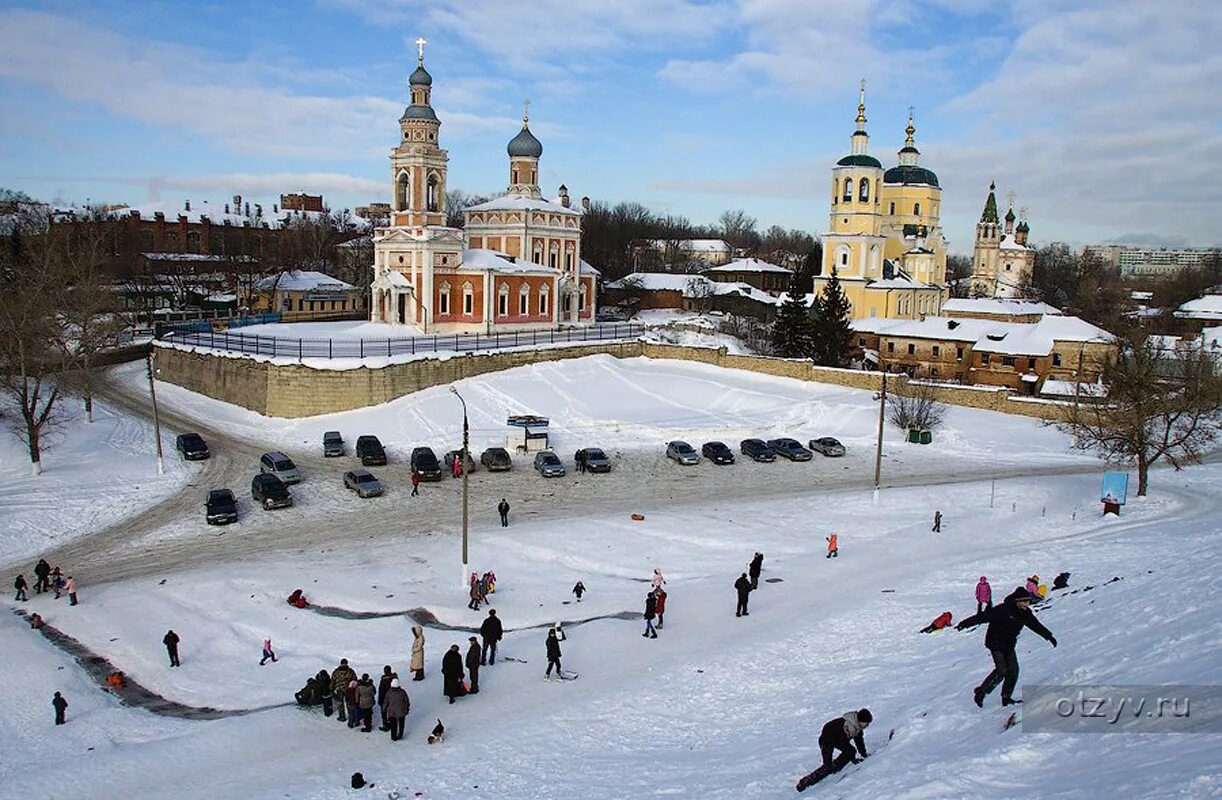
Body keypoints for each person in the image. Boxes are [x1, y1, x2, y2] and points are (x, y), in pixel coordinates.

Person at [957, 587, 1057, 708]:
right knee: (1002, 670)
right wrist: (964, 623)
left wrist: (1048, 636)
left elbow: (1035, 625)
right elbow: (983, 617)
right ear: (1017, 601)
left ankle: (1006, 698)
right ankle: (981, 692)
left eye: (1028, 601)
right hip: (995, 643)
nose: (1027, 604)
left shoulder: (1025, 613)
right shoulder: (1003, 610)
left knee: (1013, 671)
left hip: (1009, 644)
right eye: (1025, 601)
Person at [795, 709, 873, 792]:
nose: (867, 725)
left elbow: (859, 741)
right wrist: (853, 759)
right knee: (827, 766)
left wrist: (864, 754)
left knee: (850, 751)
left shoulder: (857, 727)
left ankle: (836, 767)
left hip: (837, 739)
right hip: (826, 740)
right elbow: (843, 742)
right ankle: (804, 783)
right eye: (866, 723)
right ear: (861, 720)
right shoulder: (848, 726)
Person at [377, 666, 396, 731]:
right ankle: (392, 723)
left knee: (384, 712)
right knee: (392, 712)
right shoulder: (394, 678)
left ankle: (386, 725)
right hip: (393, 698)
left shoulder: (383, 680)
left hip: (385, 698)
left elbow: (381, 691)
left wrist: (380, 701)